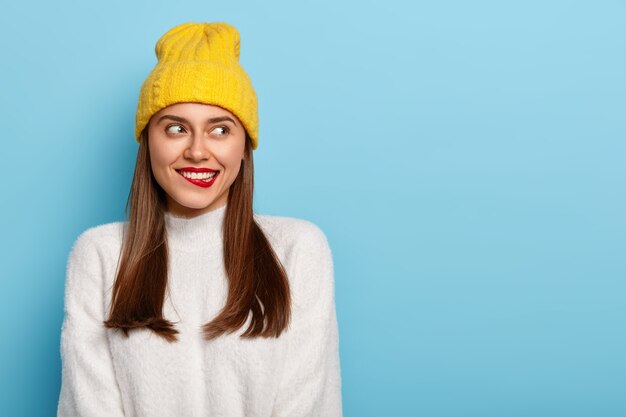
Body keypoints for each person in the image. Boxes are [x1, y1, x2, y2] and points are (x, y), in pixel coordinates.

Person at [57, 21, 343, 417]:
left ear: (244, 146)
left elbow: (311, 403)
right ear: (148, 142)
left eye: (220, 130)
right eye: (175, 128)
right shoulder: (100, 255)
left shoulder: (297, 249)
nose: (197, 151)